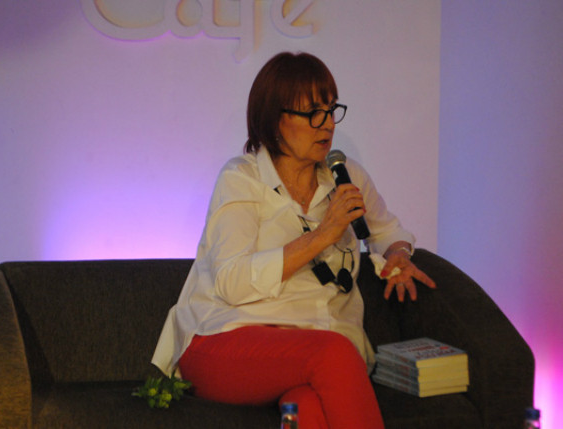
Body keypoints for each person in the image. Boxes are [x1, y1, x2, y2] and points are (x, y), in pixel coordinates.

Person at [152, 51, 436, 428]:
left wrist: (399, 254)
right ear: (276, 120)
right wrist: (322, 235)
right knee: (334, 355)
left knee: (307, 409)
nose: (327, 124)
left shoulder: (345, 175)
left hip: (314, 347)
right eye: (314, 113)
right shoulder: (242, 179)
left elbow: (387, 232)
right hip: (225, 340)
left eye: (331, 110)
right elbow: (230, 283)